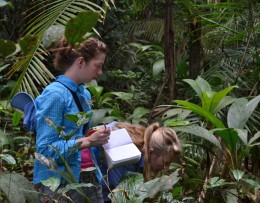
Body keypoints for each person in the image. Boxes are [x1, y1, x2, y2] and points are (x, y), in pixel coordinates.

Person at [33, 36, 110, 203]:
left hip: (90, 175)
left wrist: (99, 136)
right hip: (61, 182)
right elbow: (45, 150)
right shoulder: (55, 94)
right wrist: (88, 141)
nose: (100, 73)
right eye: (98, 66)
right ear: (81, 62)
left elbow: (81, 136)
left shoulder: (85, 93)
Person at [101, 122, 181, 202]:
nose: (165, 168)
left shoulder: (144, 140)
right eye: (165, 163)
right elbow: (123, 198)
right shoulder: (128, 155)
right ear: (151, 152)